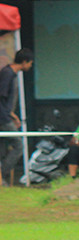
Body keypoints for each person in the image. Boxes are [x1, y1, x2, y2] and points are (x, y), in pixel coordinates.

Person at [0, 48, 33, 183]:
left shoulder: (11, 73)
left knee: (2, 150)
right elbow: (1, 97)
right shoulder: (7, 74)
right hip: (3, 118)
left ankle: (2, 179)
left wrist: (13, 115)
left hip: (6, 115)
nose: (30, 66)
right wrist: (8, 117)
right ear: (24, 62)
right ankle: (2, 174)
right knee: (19, 145)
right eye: (30, 63)